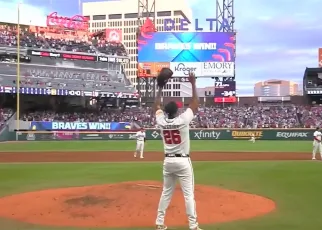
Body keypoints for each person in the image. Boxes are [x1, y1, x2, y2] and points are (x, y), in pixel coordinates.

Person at [154, 71, 202, 230]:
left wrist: (160, 88)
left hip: (168, 161)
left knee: (166, 193)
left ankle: (160, 222)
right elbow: (195, 104)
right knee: (188, 195)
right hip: (182, 161)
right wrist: (193, 83)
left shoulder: (161, 121)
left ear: (166, 112)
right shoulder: (182, 119)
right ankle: (193, 226)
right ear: (177, 111)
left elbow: (156, 107)